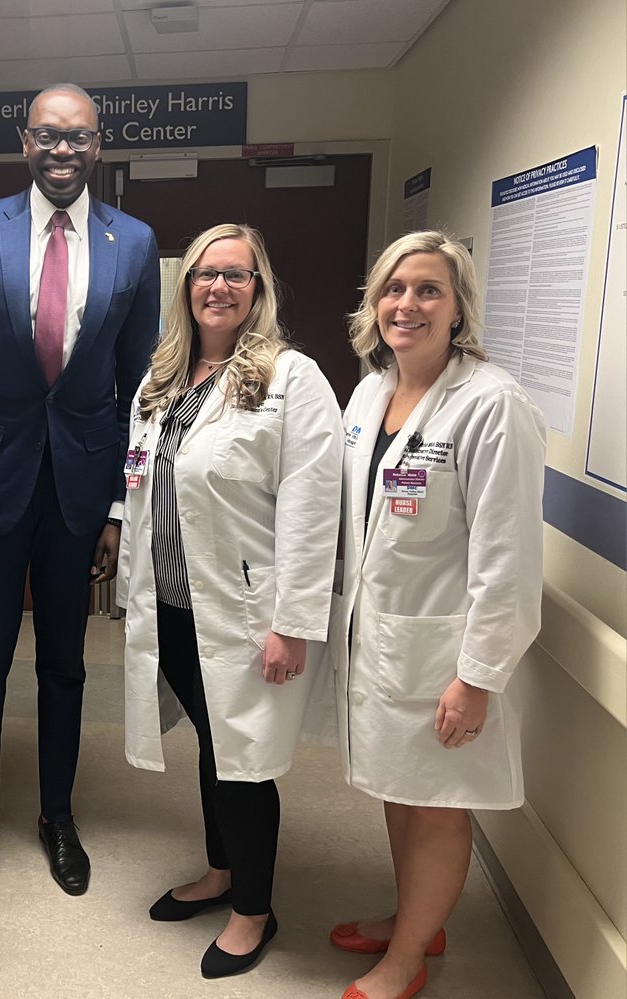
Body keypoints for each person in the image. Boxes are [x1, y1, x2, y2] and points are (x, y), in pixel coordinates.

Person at [0, 82, 160, 915]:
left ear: (100, 146)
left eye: (81, 138)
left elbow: (141, 389)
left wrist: (121, 510)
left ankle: (58, 815)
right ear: (25, 142)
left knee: (65, 667)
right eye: (49, 137)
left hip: (80, 492)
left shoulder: (131, 241)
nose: (64, 151)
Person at [118, 223, 343, 979]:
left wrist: (294, 623)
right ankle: (221, 871)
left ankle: (254, 908)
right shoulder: (163, 379)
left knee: (243, 759)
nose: (219, 286)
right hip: (176, 606)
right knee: (217, 747)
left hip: (248, 612)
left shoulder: (291, 377)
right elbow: (142, 483)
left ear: (258, 288)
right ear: (186, 286)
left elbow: (314, 506)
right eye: (206, 273)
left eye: (236, 275)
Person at [329, 231, 546, 999]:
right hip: (383, 639)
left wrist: (477, 677)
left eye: (428, 291)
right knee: (400, 786)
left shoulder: (493, 405)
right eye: (394, 288)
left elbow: (509, 561)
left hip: (445, 651)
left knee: (438, 806)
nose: (407, 304)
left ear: (458, 309)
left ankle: (407, 957)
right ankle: (418, 917)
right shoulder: (370, 392)